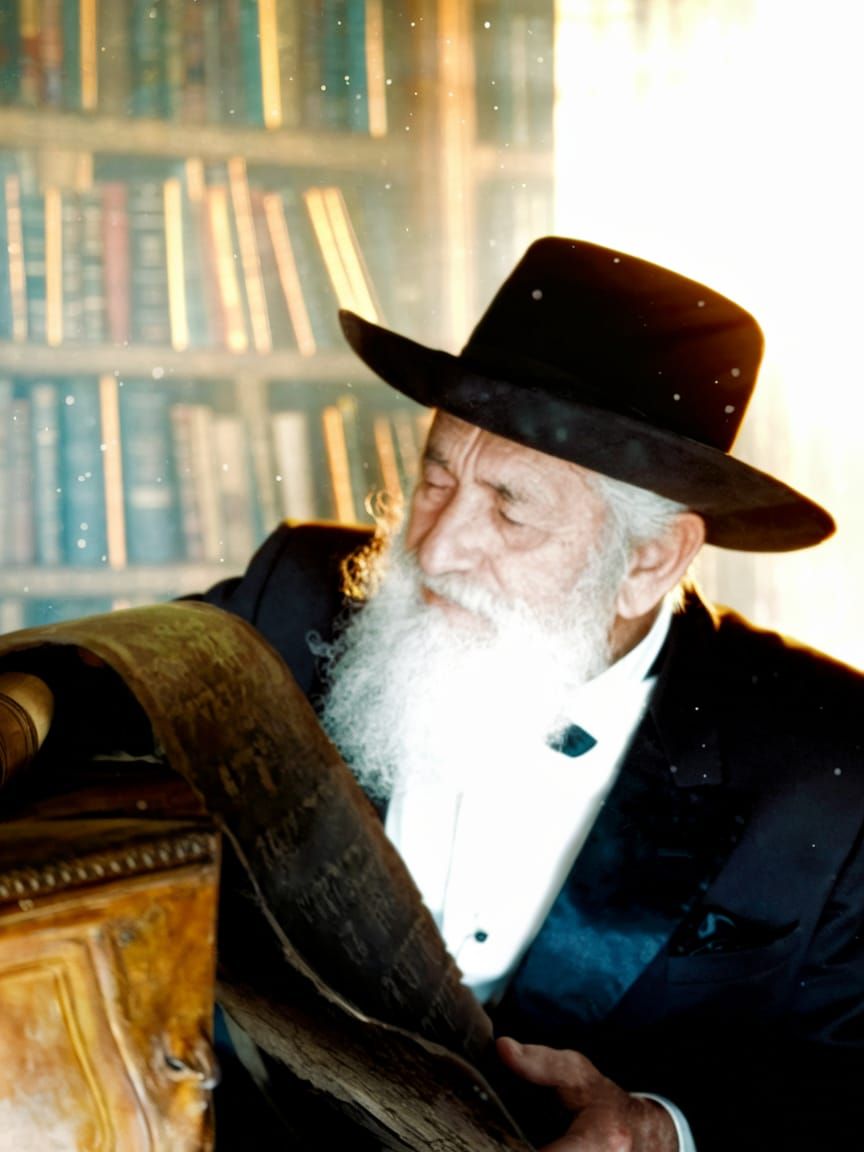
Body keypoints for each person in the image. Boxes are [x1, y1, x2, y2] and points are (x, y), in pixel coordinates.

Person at [196, 237, 864, 1151]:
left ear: (650, 560)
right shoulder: (299, 595)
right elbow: (84, 683)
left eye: (509, 507)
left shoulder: (826, 760)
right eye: (437, 478)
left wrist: (662, 1133)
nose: (436, 548)